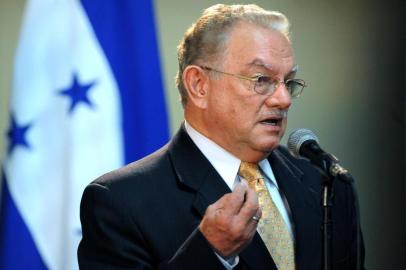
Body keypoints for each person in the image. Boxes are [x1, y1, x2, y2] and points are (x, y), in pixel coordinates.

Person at [78, 4, 365, 270]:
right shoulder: (119, 203)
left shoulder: (326, 183)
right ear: (199, 85)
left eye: (288, 82)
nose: (283, 99)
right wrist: (210, 252)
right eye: (261, 79)